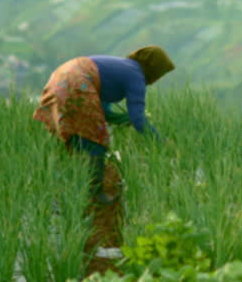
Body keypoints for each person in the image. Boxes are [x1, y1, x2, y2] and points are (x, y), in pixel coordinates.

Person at [33, 45, 175, 205]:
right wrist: (160, 141)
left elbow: (105, 111)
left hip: (61, 78)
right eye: (160, 73)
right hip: (77, 83)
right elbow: (139, 119)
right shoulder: (136, 76)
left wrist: (123, 119)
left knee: (77, 139)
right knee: (95, 138)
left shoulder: (123, 67)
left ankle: (73, 189)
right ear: (153, 68)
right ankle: (95, 193)